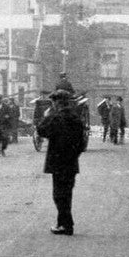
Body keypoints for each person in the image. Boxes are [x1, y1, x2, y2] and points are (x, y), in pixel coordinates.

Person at [37, 89, 85, 236]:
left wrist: (45, 117)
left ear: (56, 103)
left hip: (57, 162)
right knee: (67, 193)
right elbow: (81, 144)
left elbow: (41, 131)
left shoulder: (55, 118)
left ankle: (67, 225)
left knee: (58, 195)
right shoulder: (76, 118)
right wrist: (73, 155)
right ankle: (62, 223)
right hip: (71, 162)